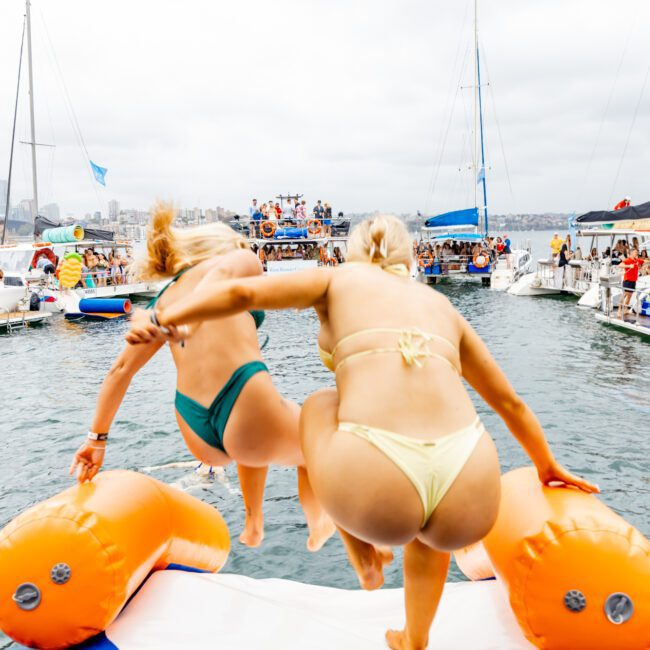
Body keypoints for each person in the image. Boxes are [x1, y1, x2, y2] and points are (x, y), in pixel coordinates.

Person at [143, 214, 597, 650]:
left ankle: (363, 553)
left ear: (352, 254)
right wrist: (547, 465)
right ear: (411, 259)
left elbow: (241, 292)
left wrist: (168, 317)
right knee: (429, 533)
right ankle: (415, 638)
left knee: (320, 403)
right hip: (470, 483)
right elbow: (510, 403)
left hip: (375, 485)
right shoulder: (442, 306)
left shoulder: (336, 279)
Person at [70, 204, 333, 551]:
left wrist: (97, 439)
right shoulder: (240, 261)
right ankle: (319, 525)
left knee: (252, 444)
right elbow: (222, 276)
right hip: (245, 399)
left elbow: (120, 371)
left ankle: (253, 522)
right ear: (222, 246)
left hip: (195, 425)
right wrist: (186, 317)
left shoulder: (162, 302)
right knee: (315, 435)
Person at [617, 248, 650, 319]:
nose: (637, 253)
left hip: (633, 281)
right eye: (635, 252)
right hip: (627, 281)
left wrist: (648, 261)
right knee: (625, 295)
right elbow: (619, 265)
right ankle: (619, 310)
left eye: (637, 252)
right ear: (631, 253)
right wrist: (629, 266)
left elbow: (645, 261)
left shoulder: (636, 260)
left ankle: (625, 309)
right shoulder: (628, 260)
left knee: (629, 296)